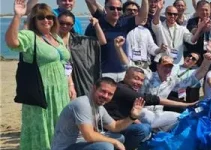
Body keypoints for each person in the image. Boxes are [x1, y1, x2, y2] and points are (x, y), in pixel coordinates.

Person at [5, 2, 70, 149]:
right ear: (34, 20)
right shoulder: (30, 36)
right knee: (42, 128)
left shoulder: (56, 37)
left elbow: (64, 62)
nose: (46, 20)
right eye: (41, 17)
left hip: (60, 92)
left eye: (49, 17)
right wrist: (17, 16)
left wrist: (70, 84)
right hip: (41, 92)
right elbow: (12, 42)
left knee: (60, 127)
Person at [51, 78, 144, 150]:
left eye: (110, 94)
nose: (105, 96)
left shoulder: (100, 107)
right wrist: (114, 142)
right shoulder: (83, 104)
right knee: (106, 147)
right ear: (94, 88)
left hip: (82, 143)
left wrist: (132, 117)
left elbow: (115, 126)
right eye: (103, 91)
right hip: (67, 147)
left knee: (121, 138)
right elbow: (89, 136)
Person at [84, 0, 149, 81]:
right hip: (103, 72)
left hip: (123, 72)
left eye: (119, 9)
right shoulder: (98, 22)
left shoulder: (125, 22)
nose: (116, 11)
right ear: (105, 9)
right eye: (112, 8)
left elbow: (142, 18)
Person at [57, 11, 107, 99]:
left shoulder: (78, 40)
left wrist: (96, 25)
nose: (65, 26)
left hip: (77, 78)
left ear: (72, 25)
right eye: (61, 23)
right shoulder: (50, 39)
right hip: (57, 77)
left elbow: (102, 41)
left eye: (68, 24)